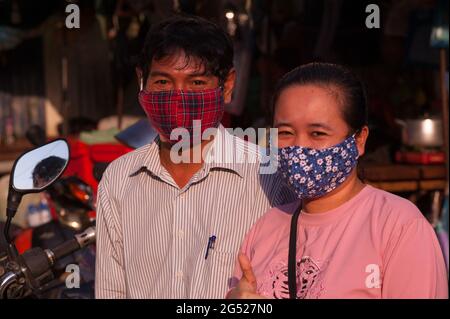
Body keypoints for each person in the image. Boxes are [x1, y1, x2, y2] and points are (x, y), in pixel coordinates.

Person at [95, 15, 295, 299]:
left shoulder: (270, 176)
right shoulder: (119, 179)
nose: (178, 96)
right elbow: (110, 291)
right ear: (142, 82)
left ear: (227, 86)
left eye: (197, 82)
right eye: (163, 82)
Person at [228, 62, 448, 299]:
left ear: (359, 140)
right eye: (285, 132)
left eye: (317, 133)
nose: (299, 146)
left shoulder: (399, 227)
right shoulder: (266, 228)